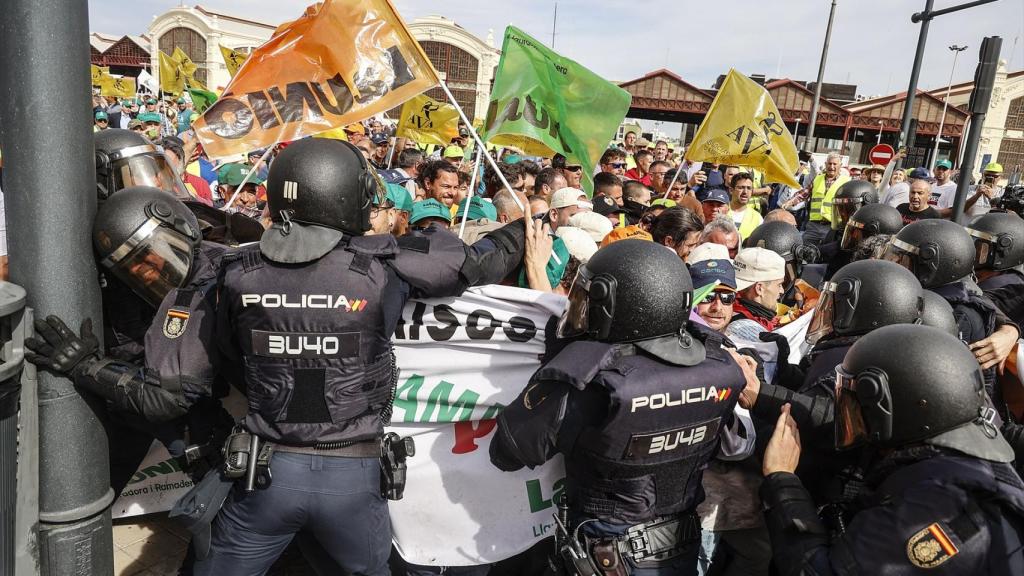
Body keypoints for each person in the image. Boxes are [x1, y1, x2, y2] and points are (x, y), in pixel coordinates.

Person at [191, 138, 527, 574]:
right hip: (351, 476)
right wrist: (525, 228)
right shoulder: (381, 266)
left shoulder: (236, 269)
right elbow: (474, 264)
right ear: (347, 197)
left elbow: (218, 357)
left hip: (266, 473)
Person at [490, 239, 751, 576]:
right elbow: (735, 445)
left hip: (607, 555)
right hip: (683, 548)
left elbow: (508, 451)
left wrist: (556, 367)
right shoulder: (718, 368)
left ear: (613, 303)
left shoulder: (592, 380)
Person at [760, 324, 1024, 575]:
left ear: (892, 410)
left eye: (860, 406)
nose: (854, 415)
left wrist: (782, 479)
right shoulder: (960, 456)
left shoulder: (936, 504)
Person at [725, 247, 785, 341]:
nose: (782, 291)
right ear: (759, 288)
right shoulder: (745, 328)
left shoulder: (725, 305)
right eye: (779, 285)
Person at [805, 152, 849, 245]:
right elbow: (804, 193)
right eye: (829, 163)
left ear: (840, 166)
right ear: (825, 164)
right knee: (804, 250)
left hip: (832, 227)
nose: (831, 166)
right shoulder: (817, 178)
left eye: (834, 164)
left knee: (826, 253)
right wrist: (790, 202)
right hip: (813, 225)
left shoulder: (846, 182)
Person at [938, 161, 1005, 218]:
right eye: (987, 175)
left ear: (1000, 177)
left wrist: (992, 198)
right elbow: (960, 209)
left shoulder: (1002, 193)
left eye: (995, 176)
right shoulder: (969, 189)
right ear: (982, 175)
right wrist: (976, 195)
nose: (991, 178)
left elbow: (1001, 215)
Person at [728, 173, 763, 240]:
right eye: (741, 188)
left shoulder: (757, 217)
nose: (745, 192)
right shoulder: (720, 211)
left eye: (749, 188)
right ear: (731, 190)